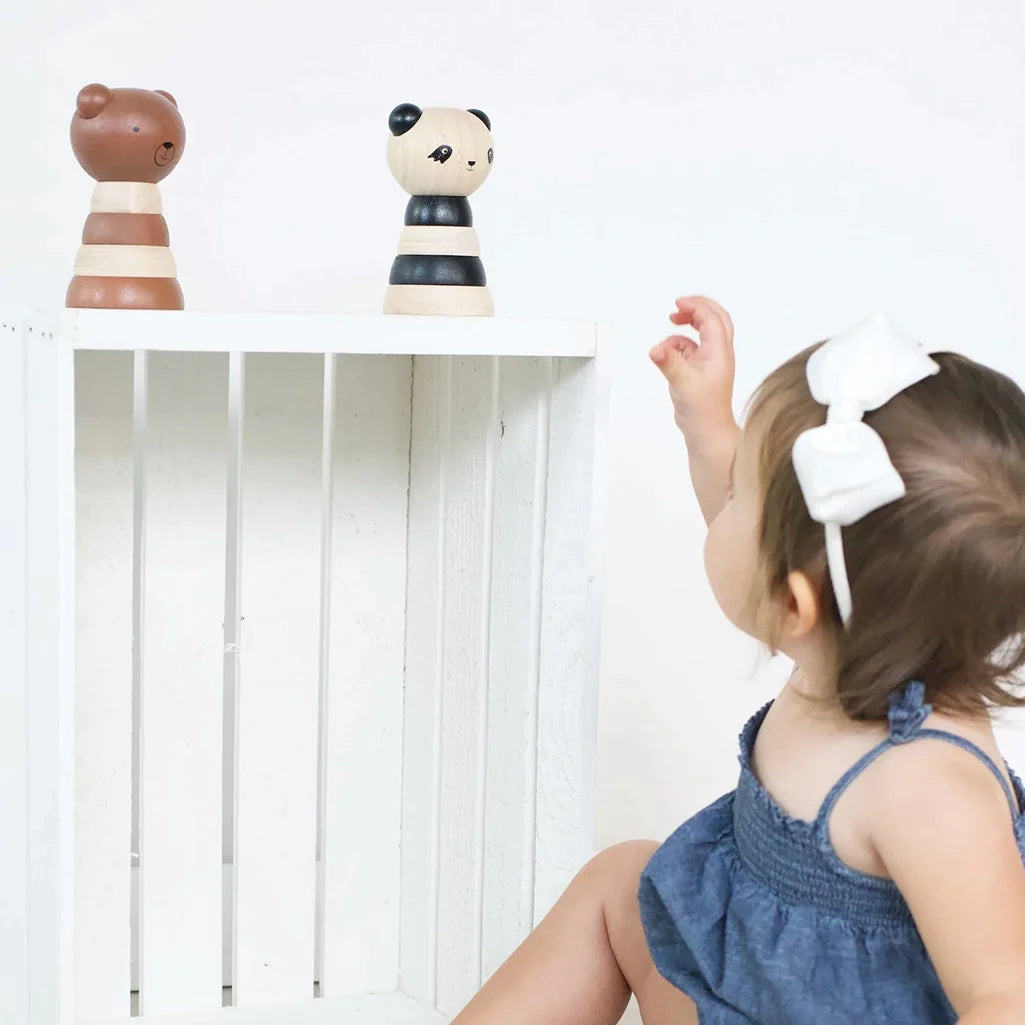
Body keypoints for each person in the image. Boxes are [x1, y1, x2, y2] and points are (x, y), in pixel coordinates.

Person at [452, 297, 1025, 1024]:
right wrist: (707, 423)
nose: (721, 502)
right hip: (744, 989)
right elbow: (763, 545)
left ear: (791, 606)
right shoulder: (858, 647)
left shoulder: (928, 788)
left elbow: (1006, 994)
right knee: (620, 881)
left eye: (736, 494)